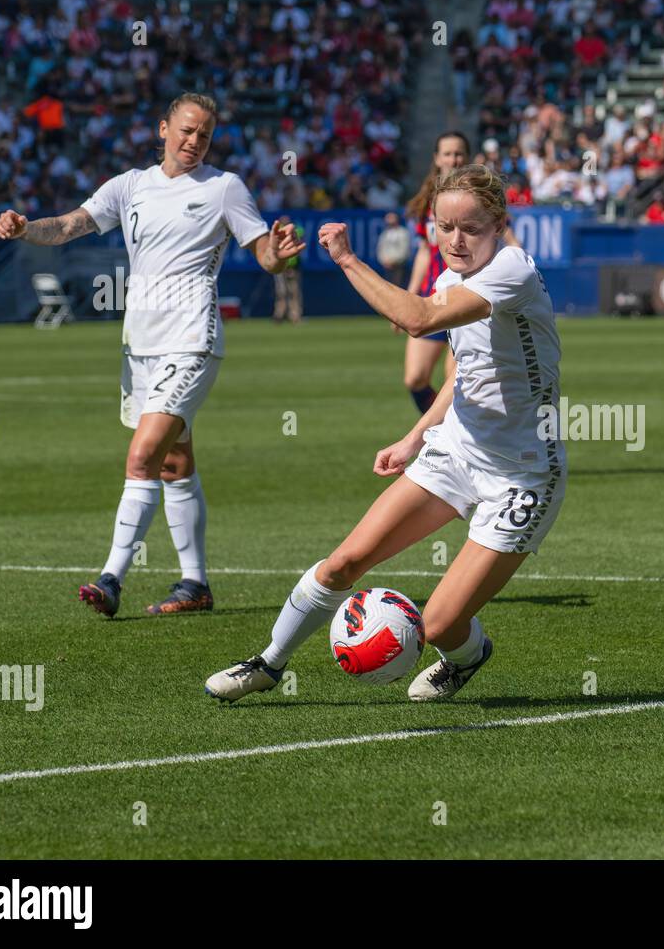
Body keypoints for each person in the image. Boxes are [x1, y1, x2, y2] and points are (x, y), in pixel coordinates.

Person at [205, 165, 565, 703]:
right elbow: (467, 374)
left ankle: (469, 655)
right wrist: (417, 435)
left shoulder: (511, 271)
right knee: (344, 562)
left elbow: (418, 320)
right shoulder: (450, 280)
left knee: (441, 625)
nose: (456, 240)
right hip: (456, 452)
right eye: (445, 227)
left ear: (498, 224)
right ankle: (268, 663)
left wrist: (347, 258)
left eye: (470, 227)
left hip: (523, 475)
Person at [0, 92, 304, 616]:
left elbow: (264, 254)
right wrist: (26, 229)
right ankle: (195, 585)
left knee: (141, 455)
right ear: (163, 129)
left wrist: (279, 253)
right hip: (140, 347)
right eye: (186, 130)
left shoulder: (225, 189)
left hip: (191, 339)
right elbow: (70, 225)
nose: (194, 142)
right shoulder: (130, 185)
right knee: (174, 462)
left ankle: (111, 577)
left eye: (204, 134)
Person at [401, 132, 470, 414]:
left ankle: (452, 446)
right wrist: (408, 296)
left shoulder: (478, 195)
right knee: (415, 378)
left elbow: (505, 234)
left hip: (465, 299)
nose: (453, 159)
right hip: (432, 300)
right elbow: (423, 252)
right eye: (447, 153)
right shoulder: (428, 200)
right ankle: (442, 431)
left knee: (454, 384)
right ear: (436, 158)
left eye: (459, 153)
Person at [271, 214, 305, 324]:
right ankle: (279, 315)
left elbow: (301, 244)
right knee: (281, 292)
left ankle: (295, 316)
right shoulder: (277, 232)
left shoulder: (297, 230)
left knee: (294, 292)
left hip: (293, 266)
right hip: (281, 267)